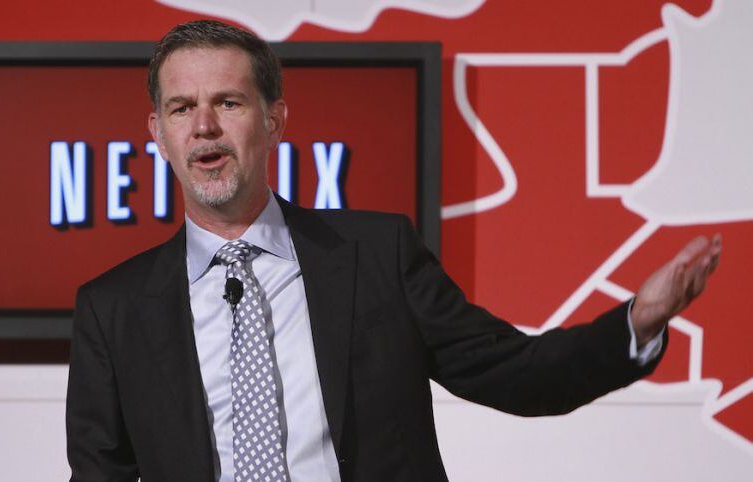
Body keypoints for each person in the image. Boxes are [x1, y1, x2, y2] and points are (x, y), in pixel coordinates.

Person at [65, 20, 722, 482]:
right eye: (181, 108)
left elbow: (517, 374)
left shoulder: (377, 254)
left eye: (227, 102)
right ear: (158, 132)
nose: (204, 126)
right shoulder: (112, 309)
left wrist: (637, 322)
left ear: (274, 119)